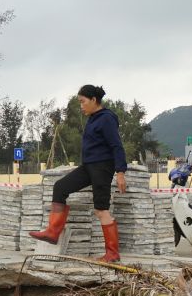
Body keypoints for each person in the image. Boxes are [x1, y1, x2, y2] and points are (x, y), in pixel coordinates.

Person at [30, 84, 128, 262]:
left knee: (101, 210)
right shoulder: (93, 118)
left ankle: (112, 253)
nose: (81, 106)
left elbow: (116, 146)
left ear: (93, 100)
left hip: (102, 168)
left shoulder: (106, 118)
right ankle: (52, 232)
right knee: (60, 187)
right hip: (89, 167)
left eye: (83, 102)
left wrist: (120, 172)